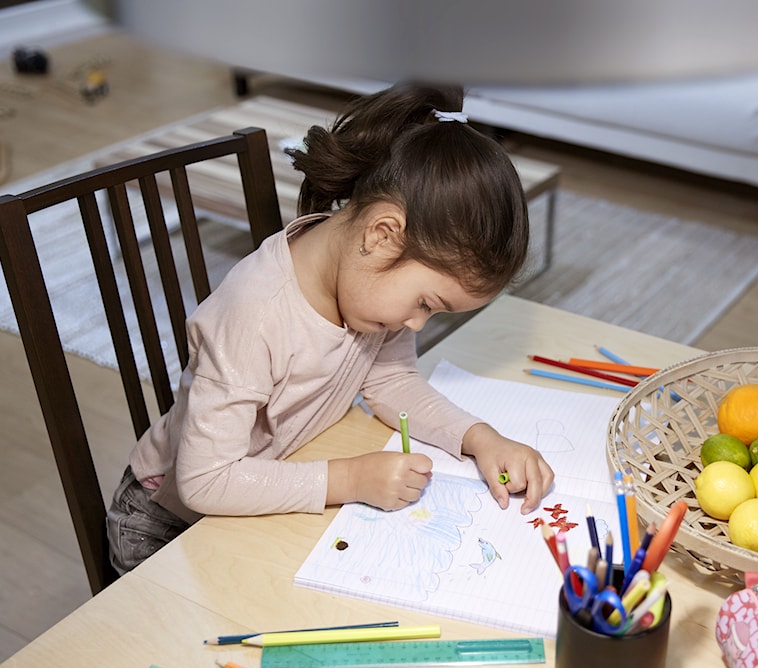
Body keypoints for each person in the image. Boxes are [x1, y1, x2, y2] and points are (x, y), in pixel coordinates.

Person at [106, 83, 555, 574]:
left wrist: (479, 438)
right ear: (382, 234)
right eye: (426, 302)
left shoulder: (366, 283)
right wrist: (350, 480)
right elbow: (206, 480)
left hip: (271, 480)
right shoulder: (255, 316)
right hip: (166, 520)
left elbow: (390, 381)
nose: (416, 323)